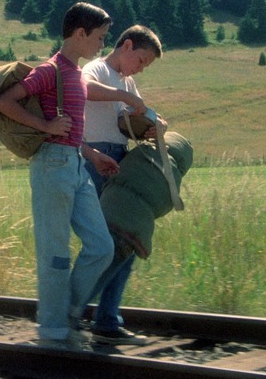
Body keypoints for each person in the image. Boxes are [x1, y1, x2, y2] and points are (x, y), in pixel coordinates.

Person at [0, 2, 147, 348]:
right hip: (51, 165)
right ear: (80, 34)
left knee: (101, 246)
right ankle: (53, 332)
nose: (101, 45)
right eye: (99, 37)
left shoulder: (76, 74)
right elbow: (6, 101)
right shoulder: (50, 70)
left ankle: (68, 314)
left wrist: (92, 154)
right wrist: (45, 125)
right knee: (56, 252)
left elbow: (75, 126)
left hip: (76, 165)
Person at [82, 25, 165, 345]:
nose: (141, 68)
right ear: (127, 46)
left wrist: (150, 128)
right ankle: (73, 312)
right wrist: (124, 95)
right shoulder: (98, 68)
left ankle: (105, 318)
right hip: (94, 158)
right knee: (105, 241)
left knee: (124, 241)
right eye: (141, 60)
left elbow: (130, 120)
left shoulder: (128, 81)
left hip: (118, 158)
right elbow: (84, 88)